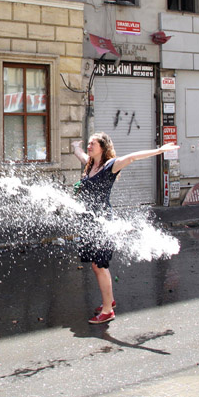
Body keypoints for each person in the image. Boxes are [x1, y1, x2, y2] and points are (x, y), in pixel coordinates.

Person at [71, 133, 179, 324]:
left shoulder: (110, 165)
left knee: (100, 265)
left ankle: (107, 311)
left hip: (102, 222)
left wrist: (160, 150)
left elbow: (133, 157)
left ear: (102, 147)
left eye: (92, 144)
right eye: (88, 143)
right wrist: (75, 146)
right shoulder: (90, 164)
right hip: (89, 221)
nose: (89, 146)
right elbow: (80, 154)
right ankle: (109, 300)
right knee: (97, 266)